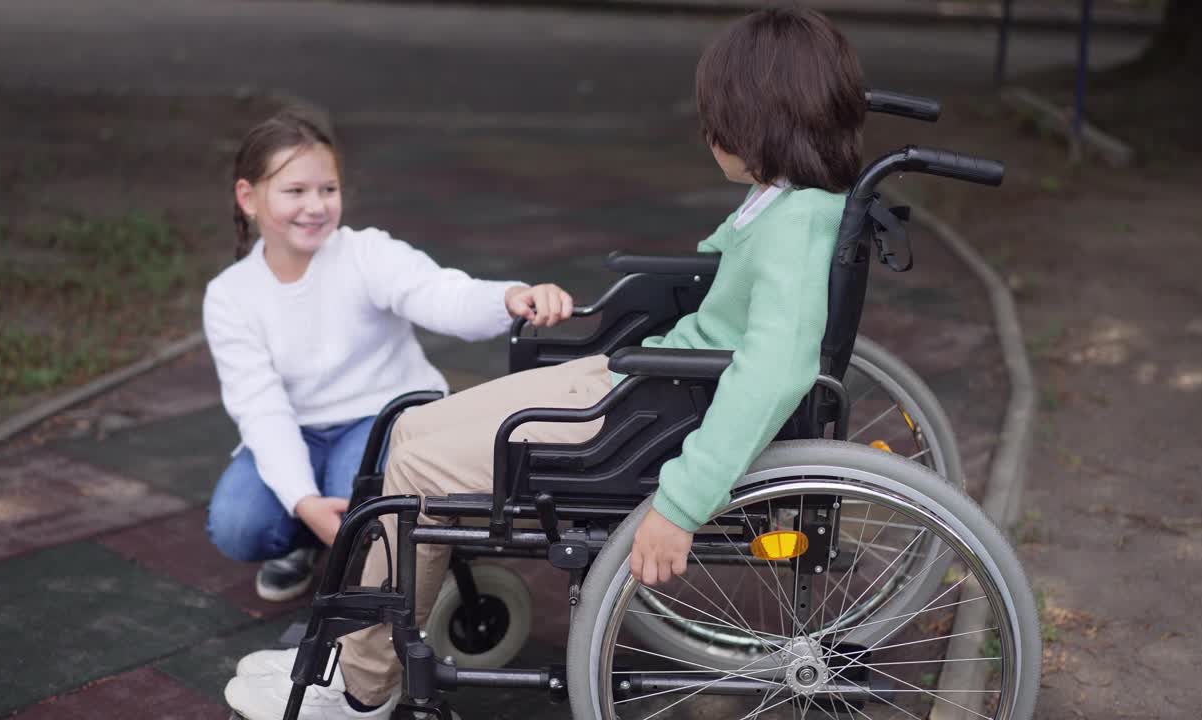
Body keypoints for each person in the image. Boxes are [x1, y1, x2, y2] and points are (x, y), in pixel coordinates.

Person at [224, 7, 866, 718]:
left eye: (717, 117)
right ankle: (366, 642)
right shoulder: (785, 202)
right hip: (648, 383)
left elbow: (774, 371)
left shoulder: (797, 223)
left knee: (415, 474)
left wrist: (681, 506)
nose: (708, 131)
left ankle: (362, 687)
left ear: (756, 121)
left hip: (659, 416)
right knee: (413, 431)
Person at [203, 108, 574, 603]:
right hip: (298, 427)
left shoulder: (365, 254)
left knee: (364, 507)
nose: (315, 206)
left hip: (382, 414)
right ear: (248, 197)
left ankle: (418, 544)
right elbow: (261, 408)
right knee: (236, 523)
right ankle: (307, 537)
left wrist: (506, 298)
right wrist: (304, 501)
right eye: (295, 191)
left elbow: (437, 293)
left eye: (327, 190)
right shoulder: (231, 295)